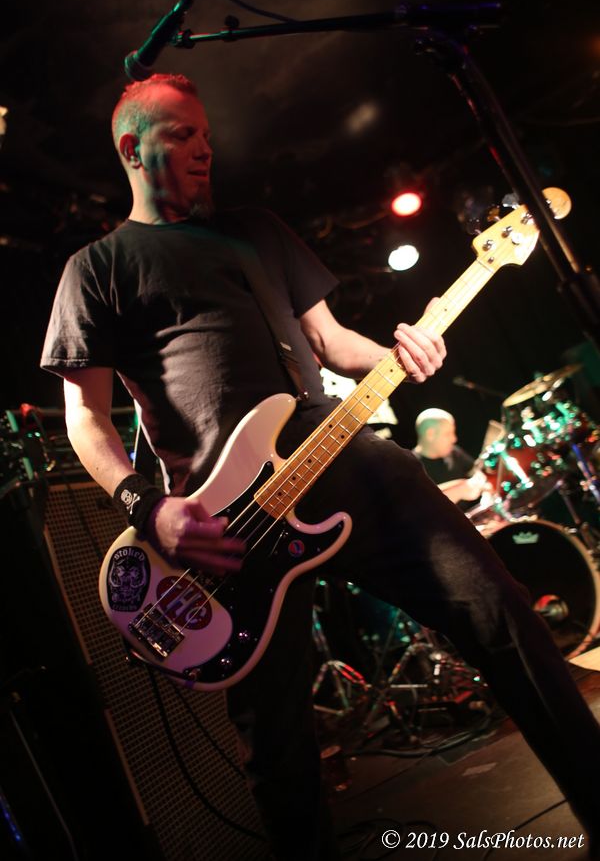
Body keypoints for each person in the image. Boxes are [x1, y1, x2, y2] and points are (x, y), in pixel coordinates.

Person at [41, 73, 600, 861]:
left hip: (345, 460)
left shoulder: (257, 231)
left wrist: (403, 349)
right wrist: (147, 508)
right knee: (277, 745)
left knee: (503, 615)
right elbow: (85, 418)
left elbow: (333, 343)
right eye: (183, 135)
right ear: (133, 149)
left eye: (207, 135)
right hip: (227, 529)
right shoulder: (97, 268)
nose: (205, 149)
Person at [413, 407, 490, 508]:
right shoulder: (411, 467)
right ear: (430, 434)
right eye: (448, 434)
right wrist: (459, 490)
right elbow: (422, 506)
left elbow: (476, 472)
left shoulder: (454, 452)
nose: (454, 439)